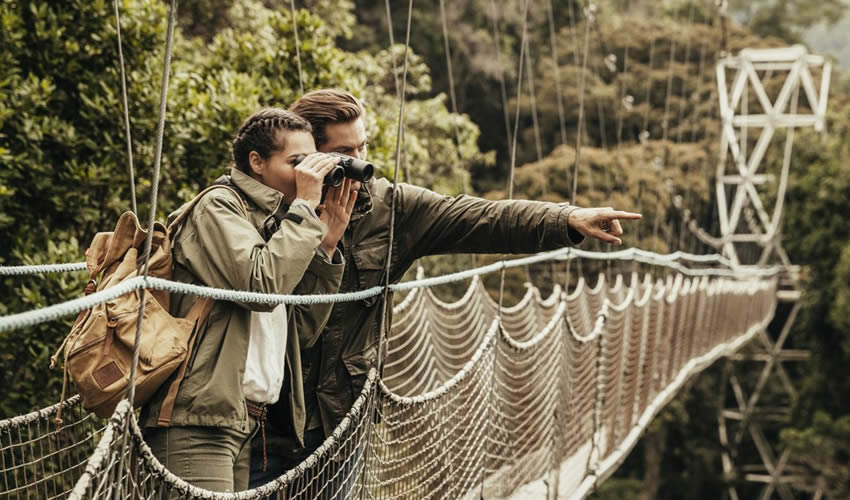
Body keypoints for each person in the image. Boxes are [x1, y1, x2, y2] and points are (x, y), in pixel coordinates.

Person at [249, 89, 641, 489]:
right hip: (263, 423)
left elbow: (481, 218)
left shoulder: (389, 210)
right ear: (308, 156)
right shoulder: (261, 208)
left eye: (363, 146)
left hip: (340, 420)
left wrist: (568, 219)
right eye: (346, 151)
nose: (361, 163)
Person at [141, 108, 358, 492]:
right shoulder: (218, 206)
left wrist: (325, 247)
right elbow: (260, 287)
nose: (309, 174)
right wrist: (307, 211)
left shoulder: (278, 222)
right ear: (256, 162)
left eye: (313, 162)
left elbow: (299, 331)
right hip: (198, 420)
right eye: (297, 162)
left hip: (245, 421)